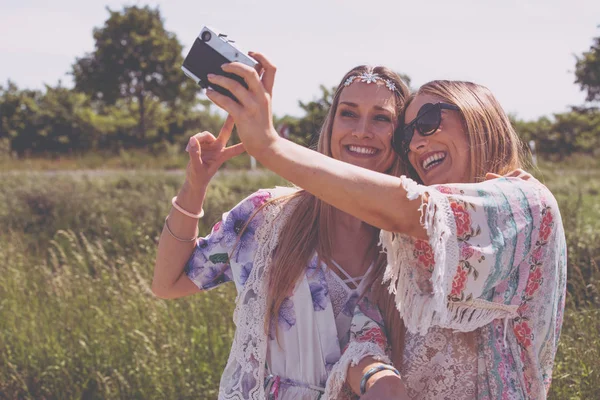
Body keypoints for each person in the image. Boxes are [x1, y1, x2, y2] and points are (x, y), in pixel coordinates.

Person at [204, 56, 567, 399]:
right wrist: (374, 374)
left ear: (477, 115)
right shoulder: (409, 237)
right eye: (405, 135)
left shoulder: (525, 203)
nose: (416, 142)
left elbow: (410, 209)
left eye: (427, 121)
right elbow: (371, 321)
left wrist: (269, 147)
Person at [151, 58, 411, 399]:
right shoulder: (267, 216)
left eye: (381, 118)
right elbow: (167, 284)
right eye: (348, 113)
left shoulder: (412, 245)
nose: (362, 130)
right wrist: (195, 183)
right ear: (331, 125)